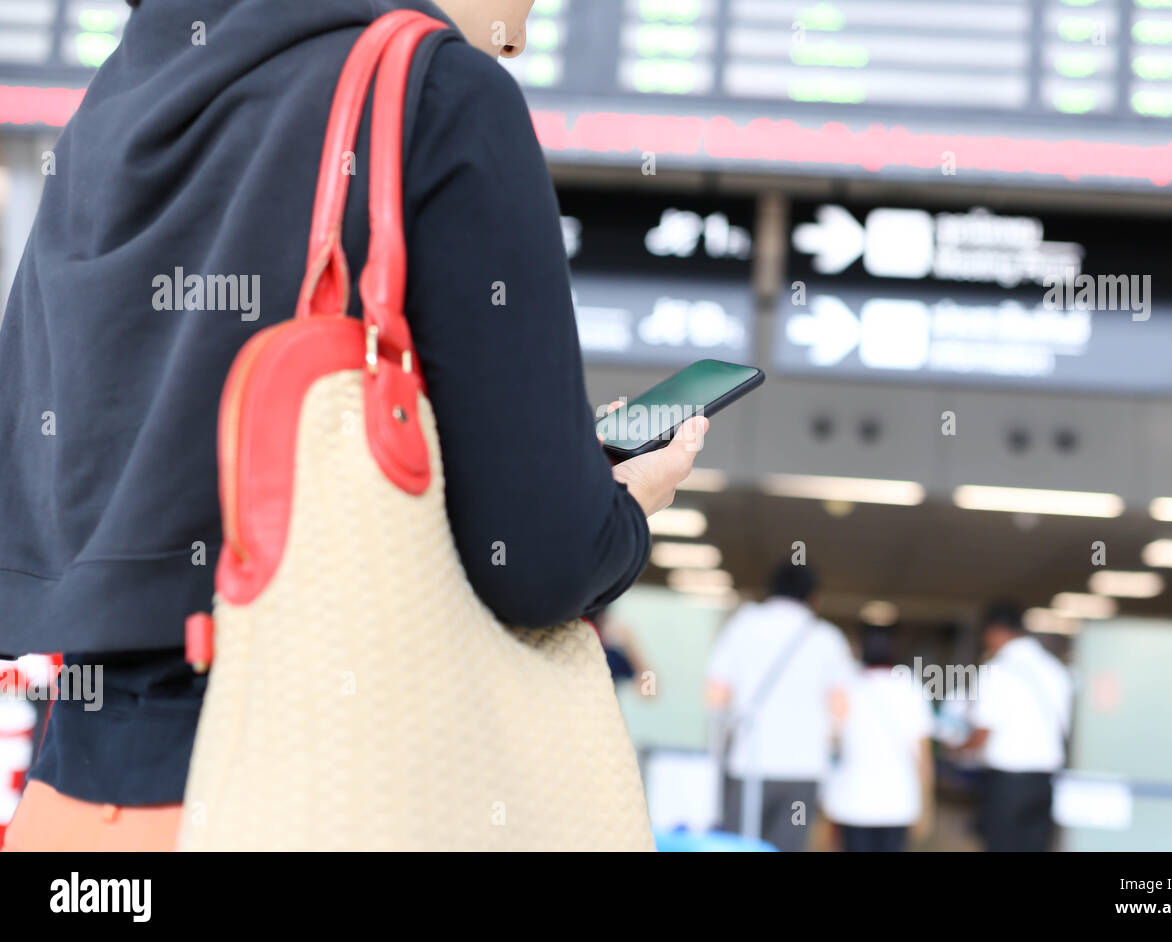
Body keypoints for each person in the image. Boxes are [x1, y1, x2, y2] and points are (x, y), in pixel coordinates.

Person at [0, 0, 708, 850]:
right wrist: (621, 506)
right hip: (317, 786)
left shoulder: (114, 102)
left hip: (80, 811)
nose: (524, 28)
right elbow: (535, 562)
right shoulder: (436, 92)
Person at [705, 562, 852, 852]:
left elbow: (715, 696)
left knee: (738, 846)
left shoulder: (743, 626)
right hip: (804, 769)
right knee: (788, 846)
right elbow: (841, 709)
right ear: (814, 598)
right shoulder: (828, 638)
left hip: (750, 762)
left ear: (769, 591)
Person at [960, 602, 1072, 852]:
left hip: (1008, 784)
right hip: (1046, 781)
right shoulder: (1055, 669)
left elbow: (982, 733)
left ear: (994, 631)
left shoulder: (996, 670)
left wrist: (958, 748)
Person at [822, 626, 935, 852]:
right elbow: (923, 752)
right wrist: (927, 803)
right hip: (898, 801)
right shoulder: (909, 687)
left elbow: (830, 741)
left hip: (852, 799)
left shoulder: (845, 686)